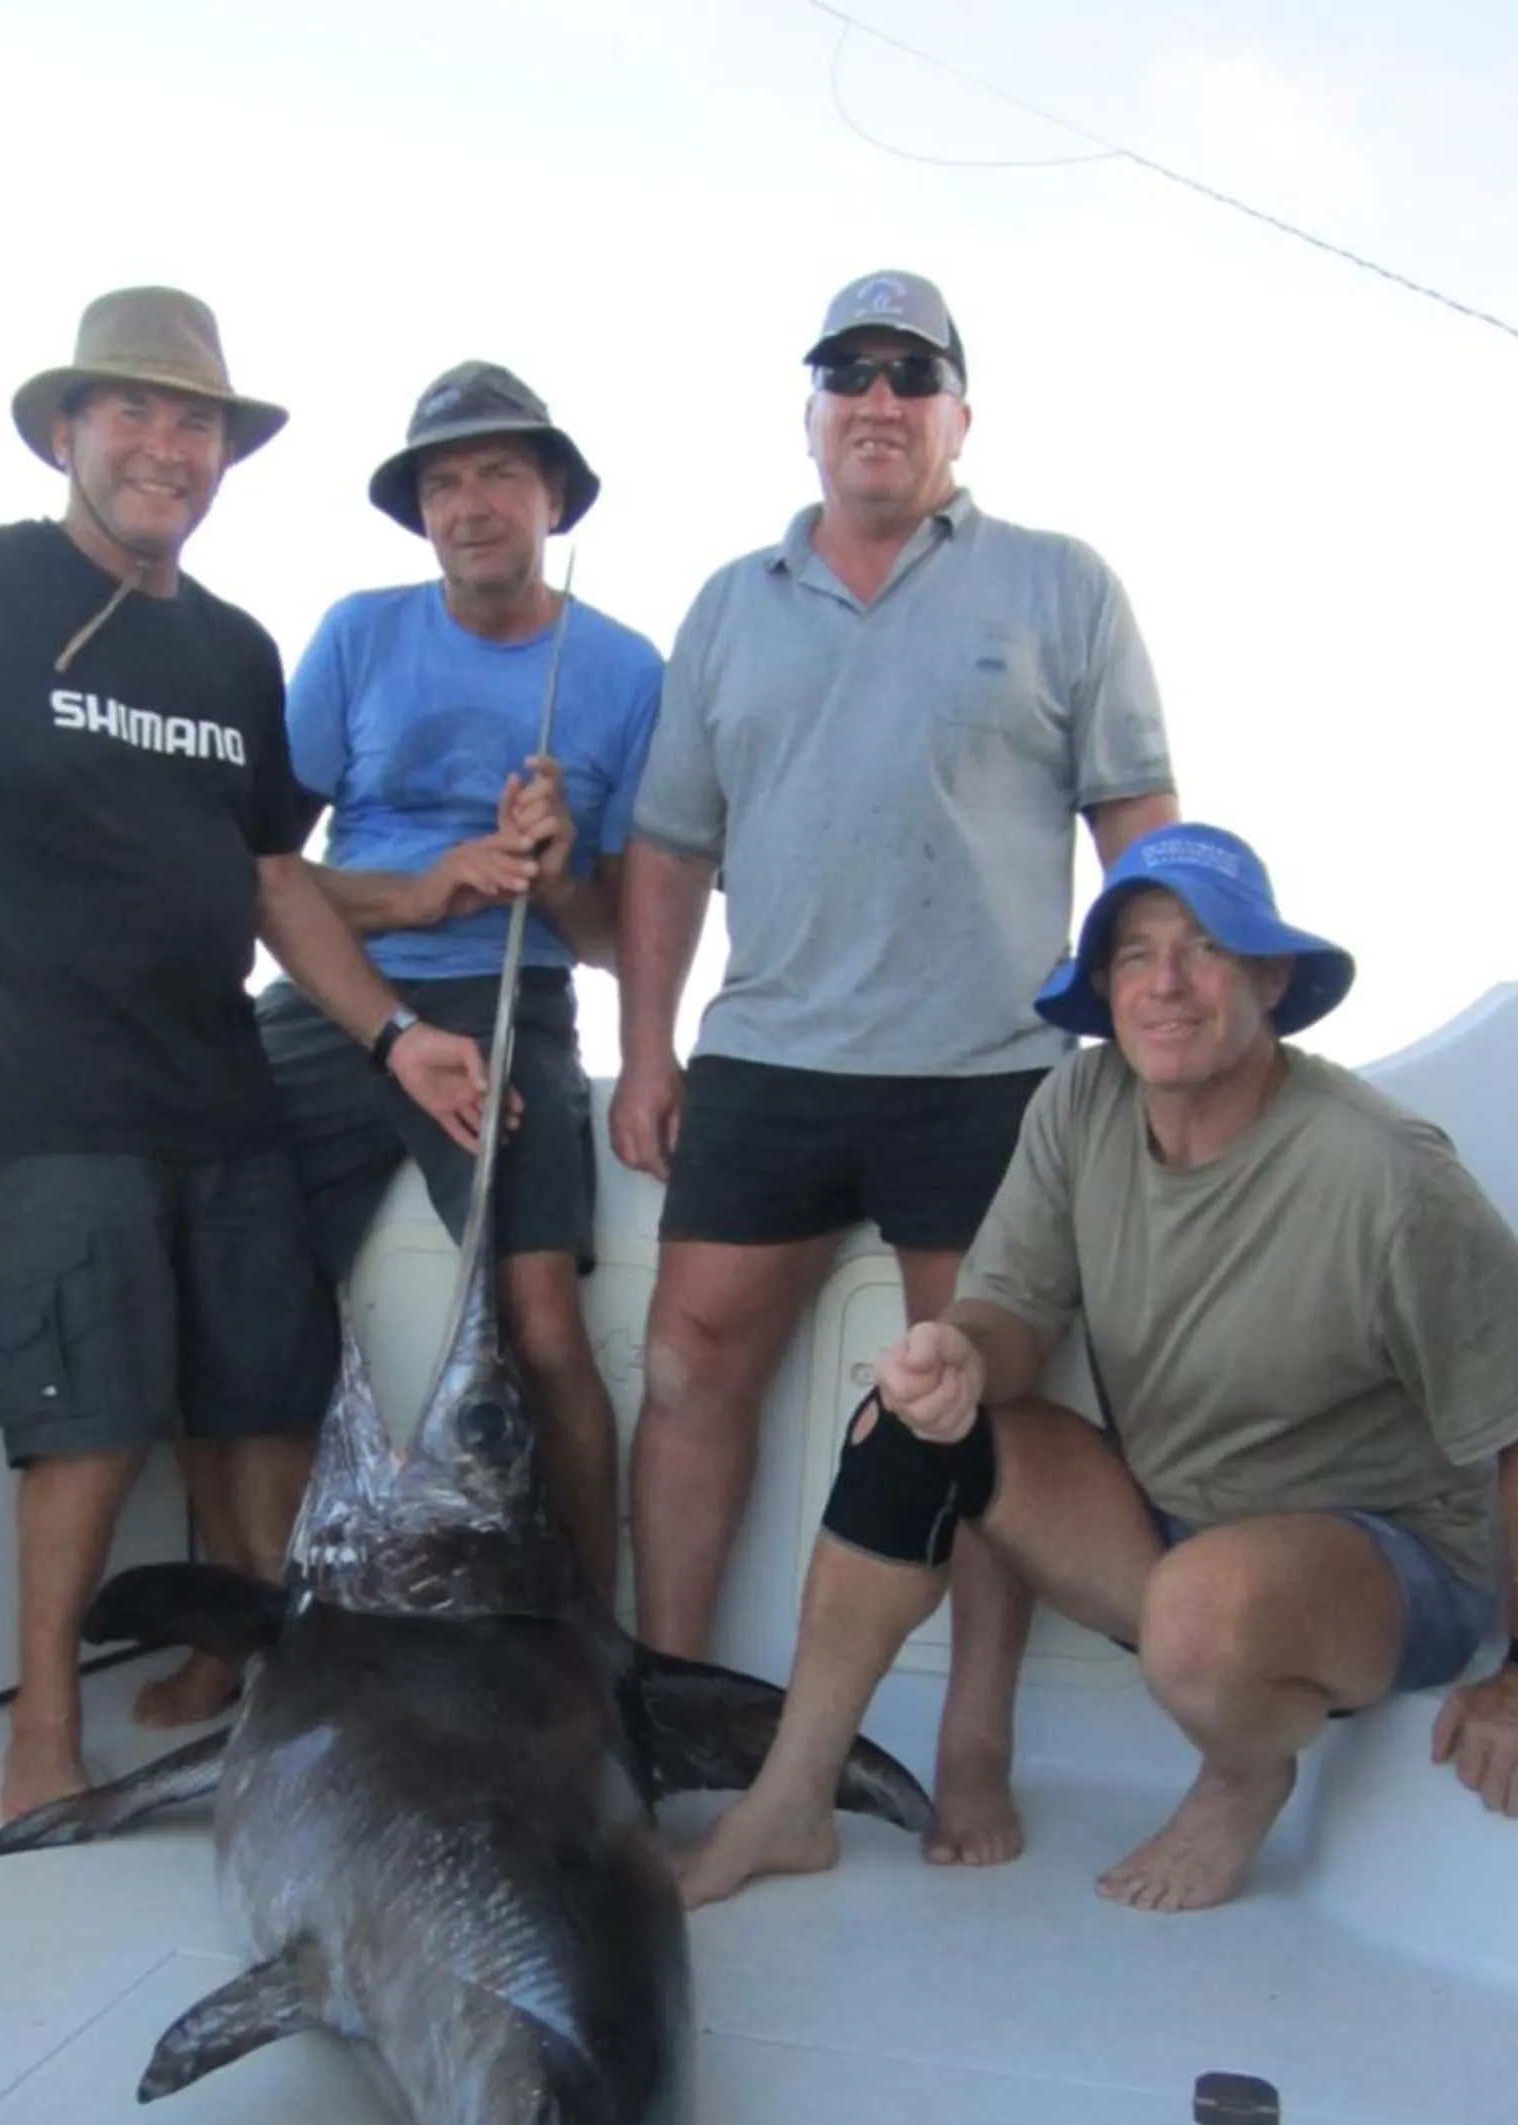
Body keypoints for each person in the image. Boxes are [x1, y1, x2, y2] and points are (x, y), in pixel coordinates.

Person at [0, 287, 494, 1820]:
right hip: (46, 1092)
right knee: (84, 1422)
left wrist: (398, 1033)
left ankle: (248, 1676)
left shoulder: (230, 649)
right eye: (137, 413)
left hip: (217, 1085)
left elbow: (272, 877)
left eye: (197, 422)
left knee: (260, 1402)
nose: (169, 446)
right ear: (68, 432)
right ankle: (41, 1731)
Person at [679, 823, 1518, 1918]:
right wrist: (960, 1353)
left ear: (1270, 978)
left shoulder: (1387, 1176)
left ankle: (1246, 1774)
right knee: (907, 1425)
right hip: (1175, 1532)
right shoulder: (1080, 1106)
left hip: (1382, 1569)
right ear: (1104, 989)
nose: (1166, 983)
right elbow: (1014, 1308)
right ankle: (791, 1798)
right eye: (1133, 955)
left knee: (1199, 1610)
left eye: (1205, 948)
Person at [610, 267, 1178, 1865]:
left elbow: (1143, 830)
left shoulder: (1058, 584)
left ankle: (972, 1731)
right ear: (809, 417)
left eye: (909, 375)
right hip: (769, 1057)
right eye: (847, 373)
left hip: (991, 1075)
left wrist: (1147, 1031)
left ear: (956, 418)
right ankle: (668, 1712)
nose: (877, 399)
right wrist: (645, 1047)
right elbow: (666, 849)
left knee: (975, 1407)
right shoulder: (728, 603)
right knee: (684, 1370)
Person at [240, 362, 662, 1607]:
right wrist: (420, 888)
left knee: (540, 1327)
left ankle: (591, 1642)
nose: (469, 504)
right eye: (441, 483)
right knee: (241, 1293)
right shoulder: (357, 634)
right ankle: (259, 1628)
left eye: (497, 474)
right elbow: (263, 871)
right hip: (337, 997)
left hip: (509, 999)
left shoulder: (629, 674)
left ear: (551, 498)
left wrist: (561, 859)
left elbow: (604, 931)